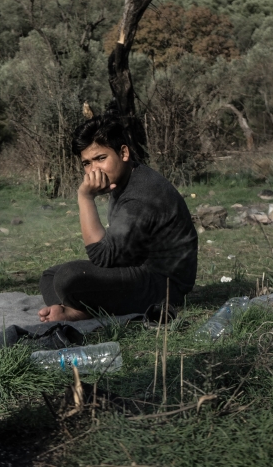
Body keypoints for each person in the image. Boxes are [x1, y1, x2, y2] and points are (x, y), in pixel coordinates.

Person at [38, 116, 198, 322]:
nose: (94, 169)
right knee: (50, 276)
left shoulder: (140, 195)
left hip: (165, 286)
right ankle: (74, 309)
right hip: (136, 267)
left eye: (101, 158)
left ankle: (78, 309)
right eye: (87, 163)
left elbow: (102, 256)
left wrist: (85, 198)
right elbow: (114, 252)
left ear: (123, 153)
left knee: (68, 277)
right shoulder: (125, 180)